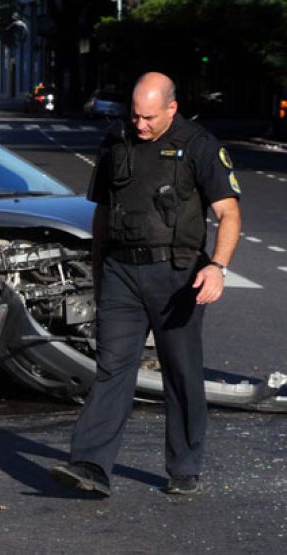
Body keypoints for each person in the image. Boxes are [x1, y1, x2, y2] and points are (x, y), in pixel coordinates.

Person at [50, 72, 242, 497]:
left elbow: (229, 213)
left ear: (171, 108)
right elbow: (102, 215)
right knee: (112, 368)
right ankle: (90, 466)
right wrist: (100, 275)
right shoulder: (116, 140)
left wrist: (218, 268)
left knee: (181, 371)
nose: (140, 124)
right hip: (120, 271)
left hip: (178, 276)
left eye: (149, 117)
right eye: (135, 115)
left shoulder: (199, 145)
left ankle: (185, 468)